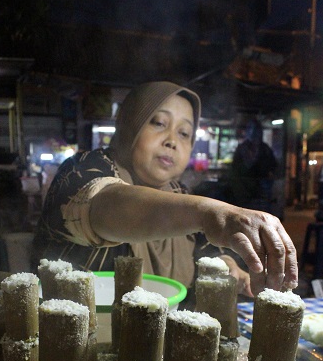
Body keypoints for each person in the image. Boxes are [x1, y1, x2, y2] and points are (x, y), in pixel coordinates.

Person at [32, 81, 297, 299]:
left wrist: (236, 274)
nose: (172, 141)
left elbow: (207, 253)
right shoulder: (82, 170)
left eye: (184, 133)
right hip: (79, 345)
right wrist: (211, 212)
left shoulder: (179, 193)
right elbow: (105, 205)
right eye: (158, 123)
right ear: (129, 124)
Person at [229, 118, 277, 213]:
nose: (254, 133)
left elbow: (274, 167)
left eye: (256, 130)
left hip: (261, 194)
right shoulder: (242, 149)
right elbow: (235, 170)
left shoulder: (265, 149)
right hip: (243, 194)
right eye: (251, 130)